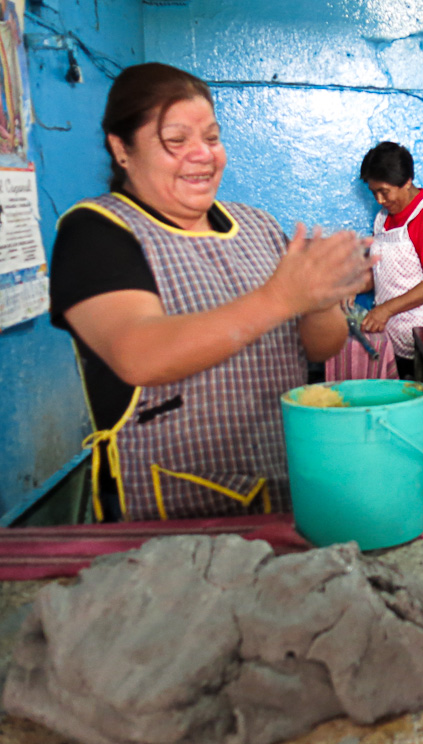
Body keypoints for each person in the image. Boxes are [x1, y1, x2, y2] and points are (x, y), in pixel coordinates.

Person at [49, 62, 372, 522]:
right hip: (167, 517)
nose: (202, 154)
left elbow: (319, 346)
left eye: (213, 138)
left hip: (284, 494)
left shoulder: (257, 226)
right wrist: (281, 297)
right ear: (121, 148)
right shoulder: (97, 233)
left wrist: (320, 301)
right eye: (176, 141)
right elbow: (139, 354)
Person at [358, 142, 423, 377]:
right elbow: (384, 272)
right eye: (373, 192)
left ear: (407, 182)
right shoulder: (383, 218)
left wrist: (384, 310)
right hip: (398, 339)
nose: (379, 199)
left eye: (384, 191)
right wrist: (347, 289)